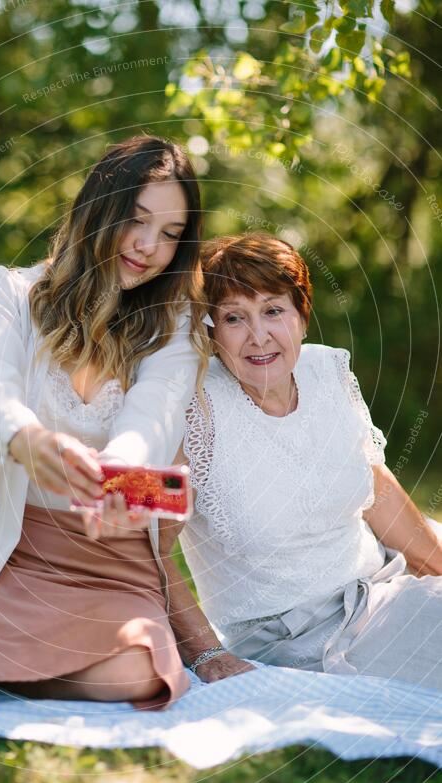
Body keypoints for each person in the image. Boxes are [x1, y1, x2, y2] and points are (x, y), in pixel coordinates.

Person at [0, 135, 209, 709]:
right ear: (99, 208)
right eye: (136, 221)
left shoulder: (173, 325)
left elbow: (155, 415)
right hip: (7, 548)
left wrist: (122, 471)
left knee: (138, 673)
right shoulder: (9, 293)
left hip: (111, 563)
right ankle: (1, 662)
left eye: (171, 235)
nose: (149, 247)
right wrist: (26, 438)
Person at [157, 231, 442, 691]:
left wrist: (438, 569)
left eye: (273, 310)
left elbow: (374, 486)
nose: (258, 336)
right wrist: (206, 653)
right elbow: (147, 543)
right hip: (301, 639)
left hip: (384, 587)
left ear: (302, 315)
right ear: (210, 334)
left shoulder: (326, 370)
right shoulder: (191, 411)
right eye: (234, 318)